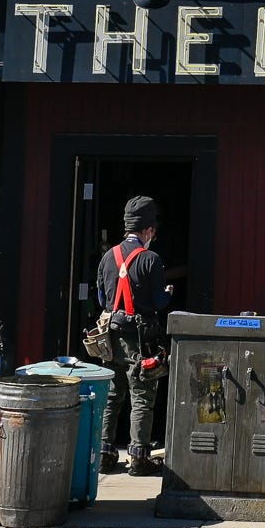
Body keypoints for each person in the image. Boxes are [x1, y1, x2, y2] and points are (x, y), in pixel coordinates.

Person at [92, 195, 169, 474]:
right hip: (141, 339)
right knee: (142, 397)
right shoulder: (151, 259)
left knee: (113, 395)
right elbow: (159, 302)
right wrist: (166, 294)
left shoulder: (107, 258)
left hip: (111, 338)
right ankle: (138, 457)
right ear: (147, 230)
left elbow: (102, 298)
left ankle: (104, 453)